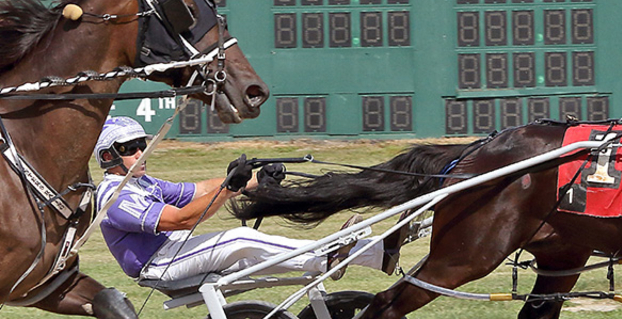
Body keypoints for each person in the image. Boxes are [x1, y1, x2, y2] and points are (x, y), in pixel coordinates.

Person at [93, 116, 406, 284]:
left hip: (175, 252)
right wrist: (230, 189)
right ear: (108, 157)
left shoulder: (141, 181)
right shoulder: (114, 197)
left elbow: (198, 189)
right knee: (240, 238)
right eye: (130, 147)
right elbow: (182, 219)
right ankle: (327, 257)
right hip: (159, 264)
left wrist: (252, 180)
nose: (141, 151)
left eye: (141, 144)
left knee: (262, 250)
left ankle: (379, 254)